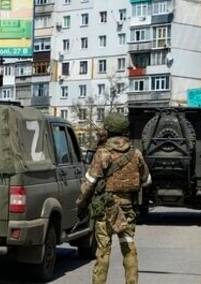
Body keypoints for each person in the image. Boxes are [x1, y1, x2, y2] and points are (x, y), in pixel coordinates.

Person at [76, 112, 152, 284]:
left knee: (103, 251)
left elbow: (89, 184)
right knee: (129, 248)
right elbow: (147, 180)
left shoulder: (102, 153)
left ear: (108, 129)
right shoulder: (136, 153)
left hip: (105, 210)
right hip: (127, 210)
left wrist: (81, 205)